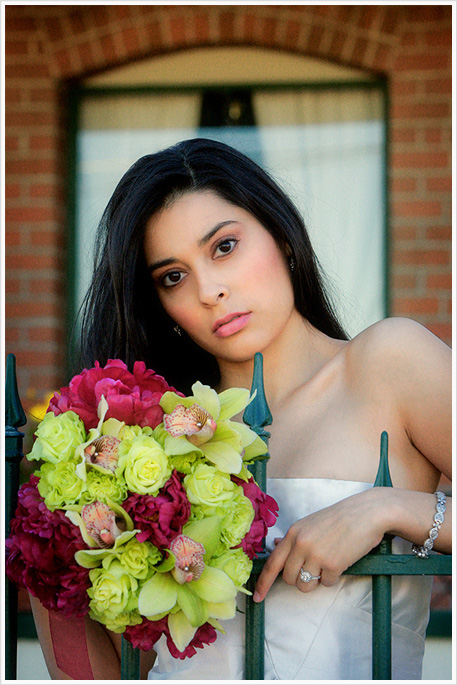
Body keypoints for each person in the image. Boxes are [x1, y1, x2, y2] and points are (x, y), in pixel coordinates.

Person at [30, 138, 451, 680]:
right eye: (173, 277)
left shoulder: (390, 362)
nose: (209, 291)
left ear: (283, 236)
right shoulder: (148, 435)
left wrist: (389, 510)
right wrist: (55, 543)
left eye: (224, 246)